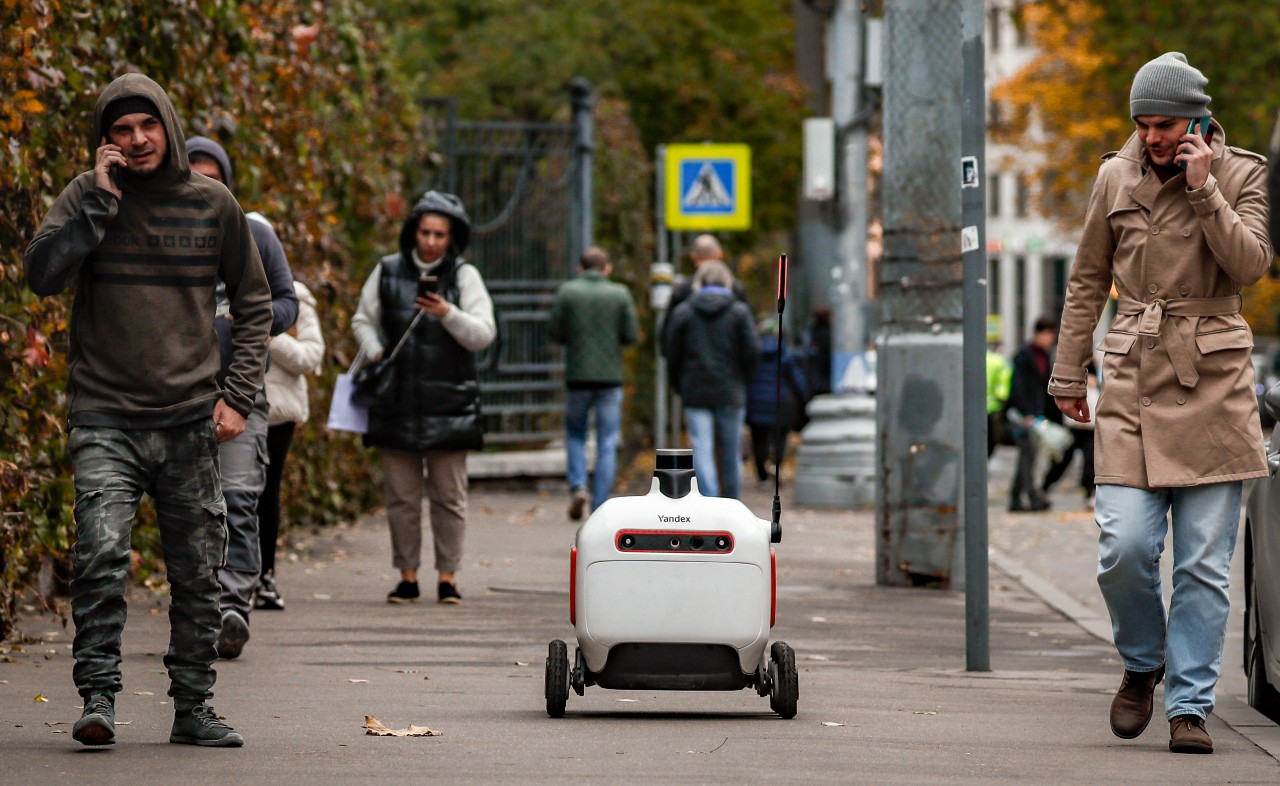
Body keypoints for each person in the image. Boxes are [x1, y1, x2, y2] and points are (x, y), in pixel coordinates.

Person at [23, 73, 272, 747]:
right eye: (120, 132)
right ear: (105, 142)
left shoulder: (212, 203)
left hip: (191, 418)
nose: (136, 141)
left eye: (146, 127)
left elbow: (254, 306)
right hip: (105, 415)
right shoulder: (86, 195)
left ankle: (193, 706)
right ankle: (98, 697)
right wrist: (96, 205)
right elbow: (42, 275)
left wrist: (236, 396)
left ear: (166, 124)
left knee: (197, 569)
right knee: (100, 553)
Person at [1050, 52, 1271, 755]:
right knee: (1124, 547)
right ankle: (1143, 662)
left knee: (1203, 563)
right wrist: (1066, 373)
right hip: (1133, 380)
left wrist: (1206, 191)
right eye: (1142, 124)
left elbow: (1251, 267)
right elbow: (1087, 279)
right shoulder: (1115, 175)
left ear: (1199, 118)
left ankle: (1190, 707)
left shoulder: (1246, 173)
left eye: (1165, 123)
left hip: (1215, 380)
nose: (1152, 137)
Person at [185, 135, 299, 658]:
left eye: (215, 176)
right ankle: (194, 609)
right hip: (176, 395)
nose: (205, 184)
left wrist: (246, 319)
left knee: (237, 499)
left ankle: (233, 607)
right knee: (186, 510)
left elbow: (286, 303)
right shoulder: (159, 230)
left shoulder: (253, 233)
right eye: (194, 174)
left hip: (240, 393)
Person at [352, 191, 495, 605]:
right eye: (425, 231)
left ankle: (448, 578)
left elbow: (483, 334)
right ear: (413, 231)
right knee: (401, 497)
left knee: (449, 497)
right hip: (395, 400)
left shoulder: (465, 277)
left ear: (453, 238)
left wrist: (447, 313)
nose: (431, 241)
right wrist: (377, 350)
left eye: (440, 234)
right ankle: (407, 577)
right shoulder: (387, 270)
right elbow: (363, 318)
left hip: (450, 403)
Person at [548, 246, 639, 520]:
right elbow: (630, 334)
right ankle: (600, 504)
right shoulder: (619, 293)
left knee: (575, 433)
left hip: (577, 376)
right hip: (610, 377)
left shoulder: (568, 292)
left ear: (580, 268)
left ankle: (578, 486)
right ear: (607, 268)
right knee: (607, 440)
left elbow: (555, 331)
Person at [256, 277, 325, 610]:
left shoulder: (295, 296)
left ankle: (264, 576)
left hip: (277, 411)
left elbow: (310, 356)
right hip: (222, 403)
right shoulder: (220, 284)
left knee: (267, 490)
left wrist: (267, 336)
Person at [663, 261, 758, 499]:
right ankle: (732, 506)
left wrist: (678, 384)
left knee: (702, 450)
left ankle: (709, 502)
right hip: (730, 390)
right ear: (728, 282)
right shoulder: (739, 312)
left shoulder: (683, 311)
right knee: (731, 452)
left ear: (698, 283)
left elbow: (671, 352)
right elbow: (752, 351)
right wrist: (742, 378)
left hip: (695, 390)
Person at [745, 318, 810, 482]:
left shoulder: (753, 352)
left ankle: (761, 473)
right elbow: (798, 380)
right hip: (782, 402)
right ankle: (776, 464)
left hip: (756, 403)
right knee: (780, 438)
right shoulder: (786, 353)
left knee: (758, 439)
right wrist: (806, 399)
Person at [659, 234, 748, 352]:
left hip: (690, 367)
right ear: (720, 254)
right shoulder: (735, 289)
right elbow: (748, 340)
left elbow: (668, 336)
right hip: (730, 368)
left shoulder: (683, 290)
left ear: (693, 256)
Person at [1007, 317, 1059, 512]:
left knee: (1030, 455)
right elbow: (1018, 387)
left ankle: (1018, 496)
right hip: (1022, 415)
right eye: (1048, 334)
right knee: (1027, 455)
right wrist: (1027, 413)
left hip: (1037, 414)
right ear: (1038, 333)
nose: (1050, 339)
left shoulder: (1044, 356)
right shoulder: (1024, 355)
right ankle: (1029, 496)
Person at [1042, 364, 1097, 507]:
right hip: (1074, 423)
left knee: (1090, 459)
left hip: (1090, 425)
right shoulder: (1073, 363)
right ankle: (1046, 485)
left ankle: (1089, 491)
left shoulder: (1098, 366)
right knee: (1064, 458)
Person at [986, 343, 1013, 457]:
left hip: (974, 407)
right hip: (993, 407)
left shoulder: (976, 358)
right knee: (990, 440)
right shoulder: (999, 361)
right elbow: (1003, 389)